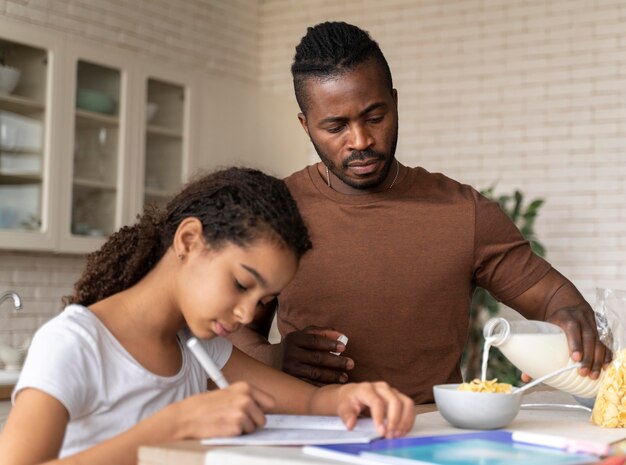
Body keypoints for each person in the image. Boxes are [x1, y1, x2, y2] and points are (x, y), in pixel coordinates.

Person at [228, 22, 610, 404]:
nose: (360, 140)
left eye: (375, 117)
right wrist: (271, 356)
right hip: (307, 435)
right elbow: (225, 329)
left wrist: (572, 323)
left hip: (431, 435)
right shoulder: (276, 210)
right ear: (305, 125)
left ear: (394, 102)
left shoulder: (463, 212)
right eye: (336, 126)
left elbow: (555, 299)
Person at [0, 167, 416, 465]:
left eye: (263, 299)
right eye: (240, 283)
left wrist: (353, 397)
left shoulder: (197, 348)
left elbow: (308, 399)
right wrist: (176, 424)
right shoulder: (77, 342)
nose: (246, 313)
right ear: (189, 241)